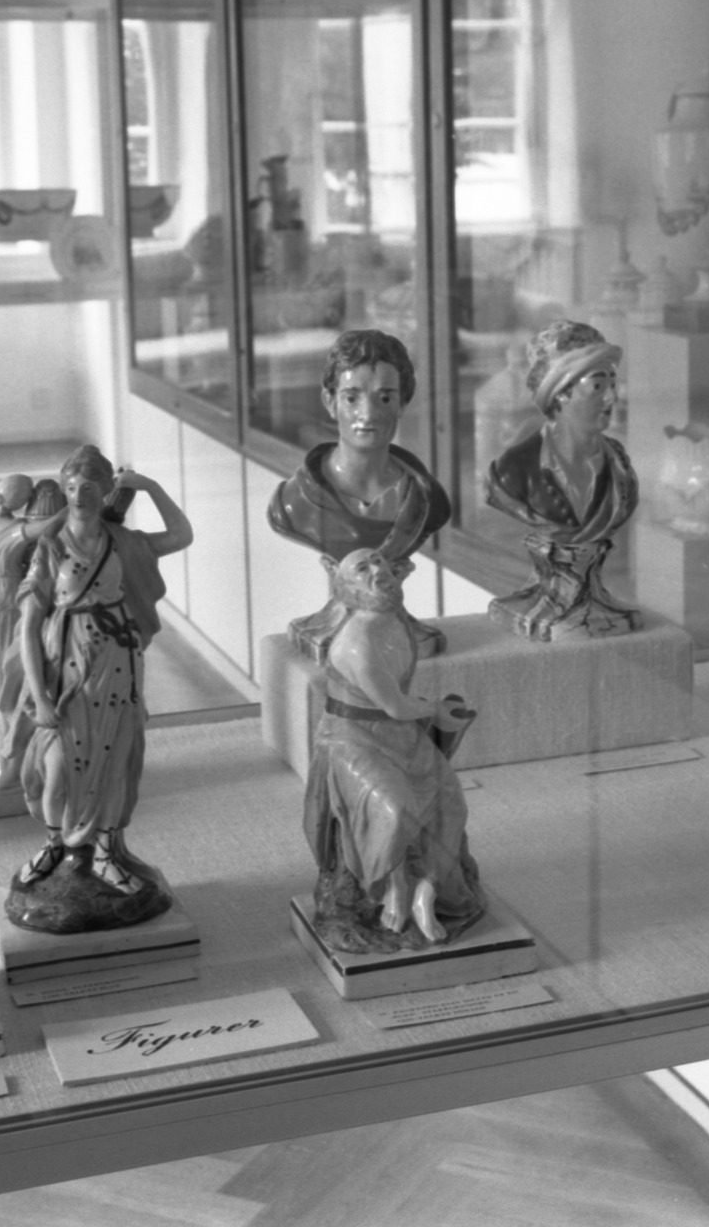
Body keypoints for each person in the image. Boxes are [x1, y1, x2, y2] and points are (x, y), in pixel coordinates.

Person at [15, 444, 191, 897]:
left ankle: (107, 853)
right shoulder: (51, 548)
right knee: (57, 767)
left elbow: (180, 535)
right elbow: (28, 628)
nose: (79, 496)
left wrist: (148, 486)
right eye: (72, 487)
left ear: (107, 490)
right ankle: (55, 844)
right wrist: (40, 695)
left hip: (117, 662)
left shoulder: (123, 543)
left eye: (90, 487)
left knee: (115, 759)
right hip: (65, 667)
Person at [304, 549, 482, 950]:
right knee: (396, 808)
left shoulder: (395, 621)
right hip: (351, 737)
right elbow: (397, 706)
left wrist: (434, 712)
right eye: (363, 568)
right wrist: (436, 709)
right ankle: (392, 885)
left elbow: (399, 709)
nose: (378, 570)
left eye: (380, 561)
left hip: (399, 733)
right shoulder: (357, 643)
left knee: (450, 803)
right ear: (345, 587)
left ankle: (427, 891)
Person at [268, 329, 452, 657]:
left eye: (385, 398)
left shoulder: (428, 502)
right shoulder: (292, 504)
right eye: (352, 397)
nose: (368, 414)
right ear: (330, 401)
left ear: (403, 403)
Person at [483, 319, 642, 640]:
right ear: (560, 393)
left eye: (614, 384)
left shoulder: (620, 467)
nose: (612, 398)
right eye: (597, 386)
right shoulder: (512, 472)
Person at [0, 474, 64, 796]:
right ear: (21, 501)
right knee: (6, 682)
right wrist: (76, 503)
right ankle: (6, 763)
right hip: (0, 609)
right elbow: (50, 526)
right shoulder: (13, 530)